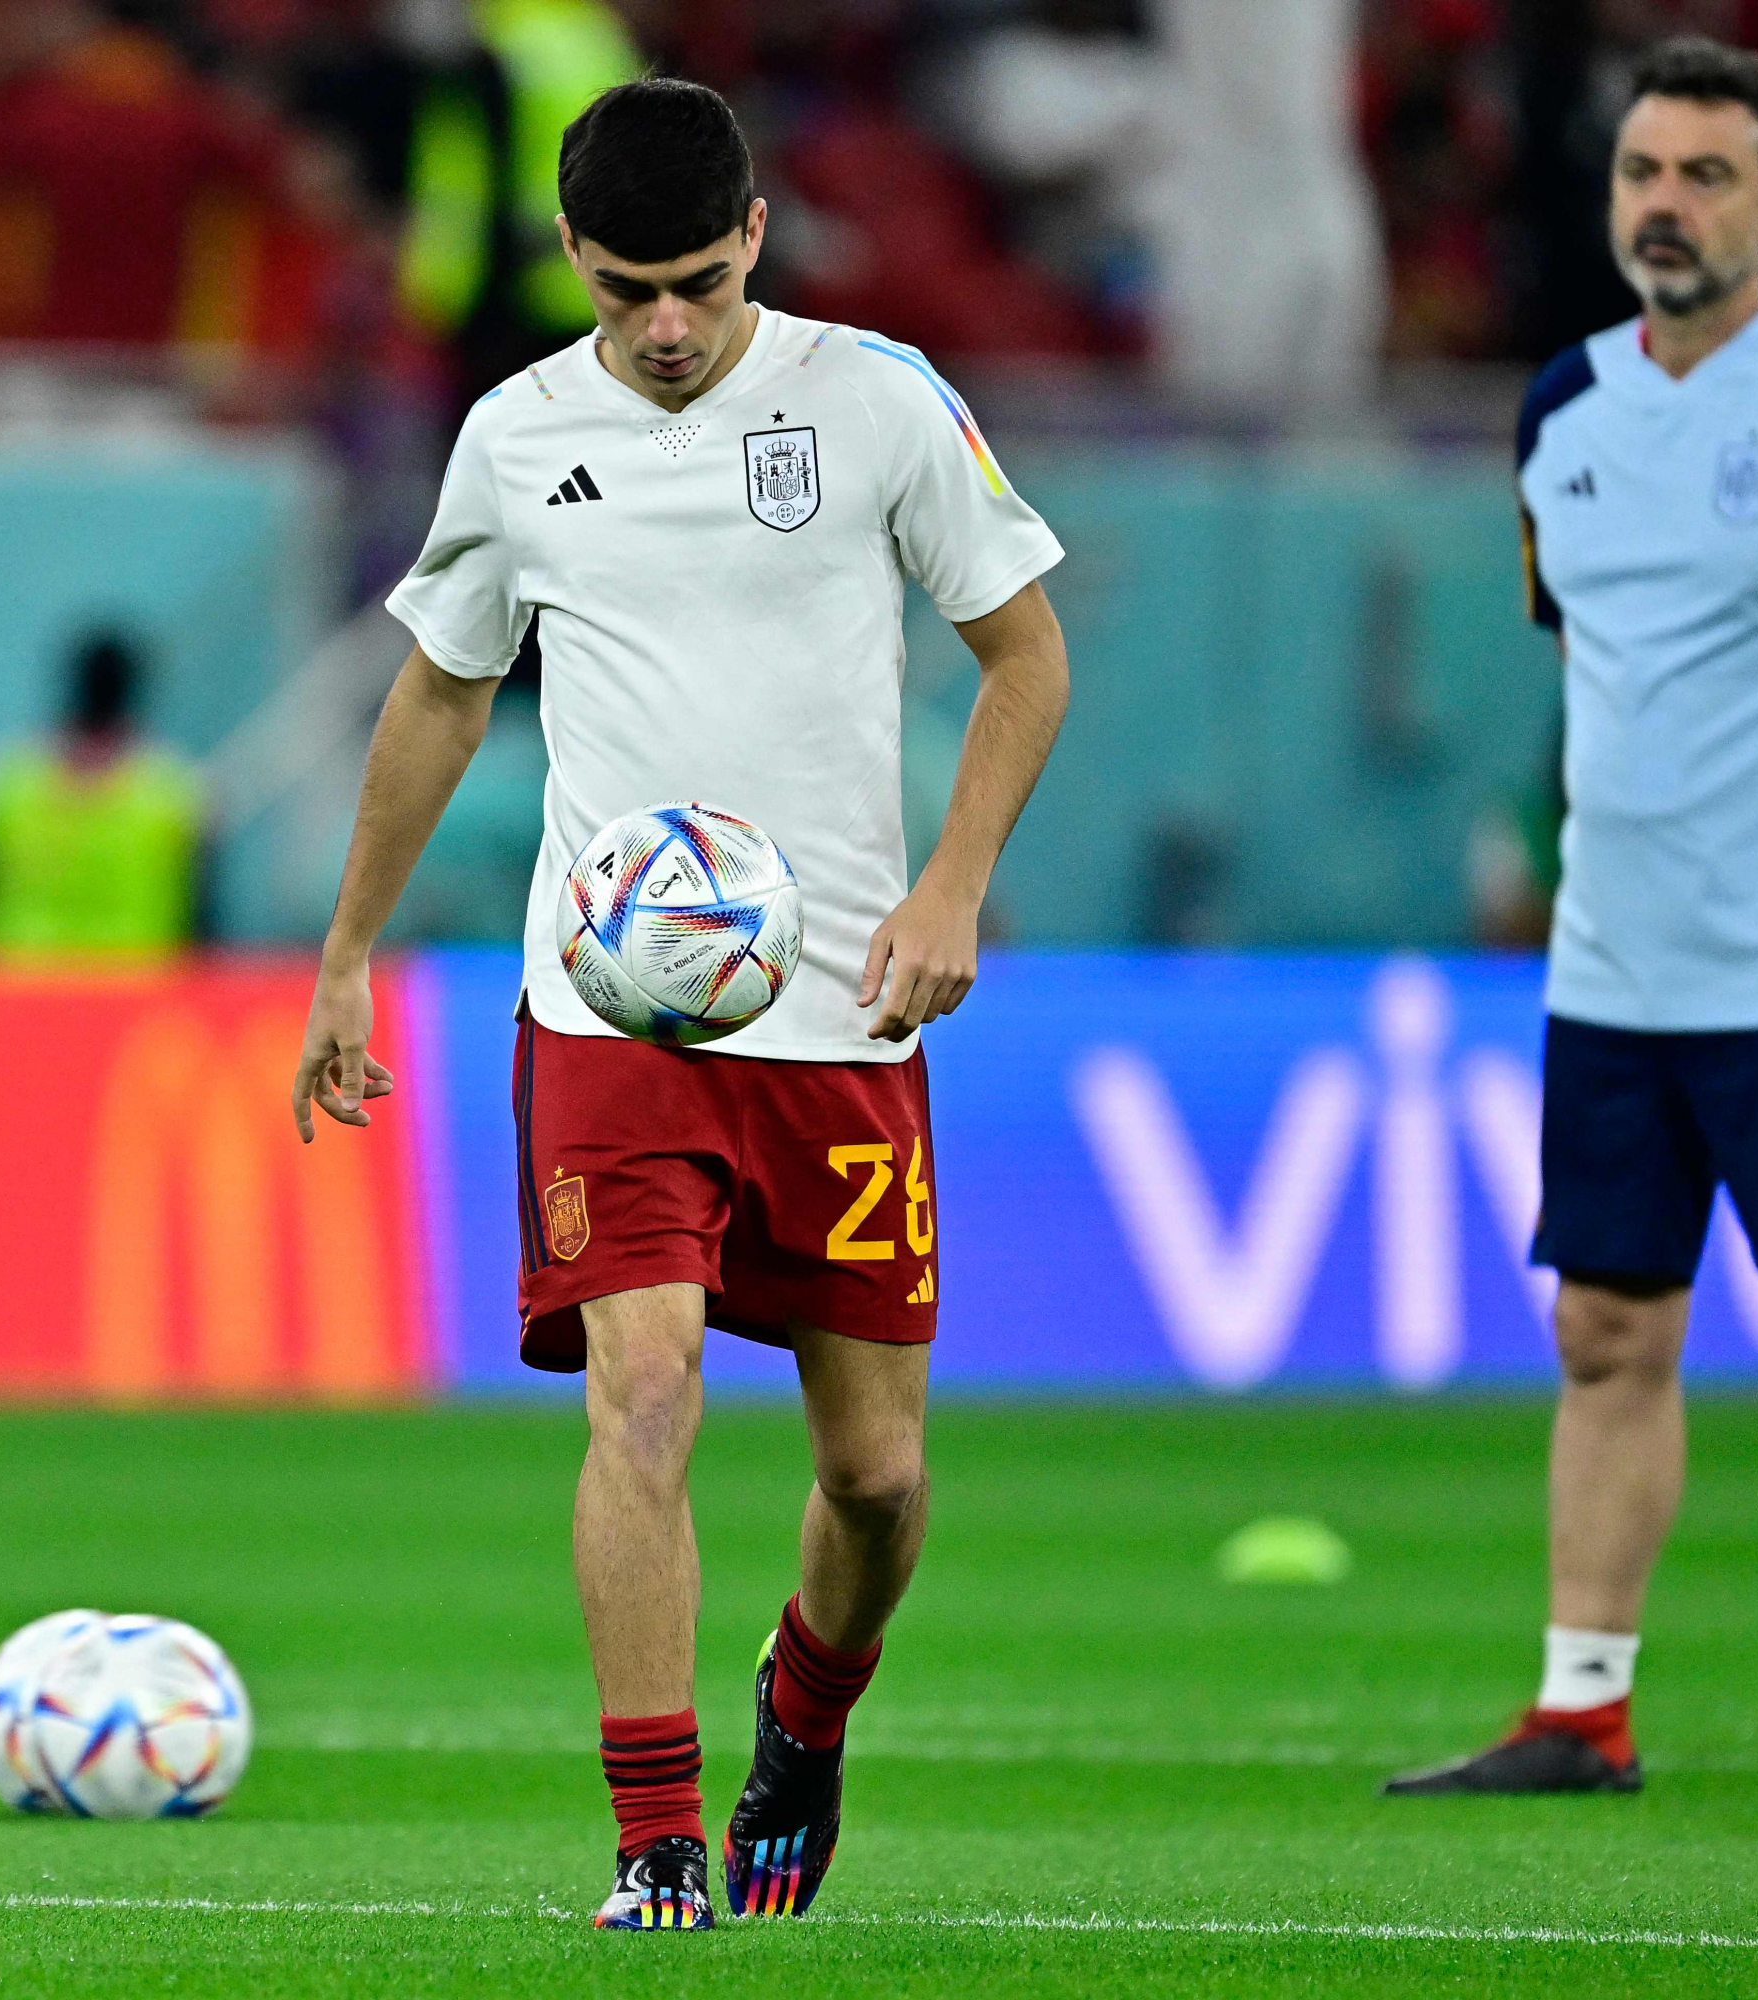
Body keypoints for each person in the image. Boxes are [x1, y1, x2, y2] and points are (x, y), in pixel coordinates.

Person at [289, 79, 1071, 1927]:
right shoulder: (513, 437)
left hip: (845, 1023)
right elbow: (438, 699)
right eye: (629, 286)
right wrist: (345, 954)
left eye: (699, 286)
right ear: (571, 256)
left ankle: (805, 1715)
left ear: (756, 244)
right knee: (640, 1390)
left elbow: (1025, 654)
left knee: (876, 1480)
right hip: (613, 1012)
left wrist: (953, 884)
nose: (664, 325)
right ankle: (655, 1843)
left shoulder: (875, 401)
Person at [1384, 37, 1758, 1807]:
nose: (1668, 204)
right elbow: (1583, 658)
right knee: (1605, 1326)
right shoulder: (1561, 408)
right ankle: (1582, 1706)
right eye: (1643, 173)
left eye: (1709, 175)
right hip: (1617, 966)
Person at [0, 631, 204, 961]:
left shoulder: (3, 784)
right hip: (137, 992)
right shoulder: (174, 794)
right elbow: (203, 926)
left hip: (16, 988)